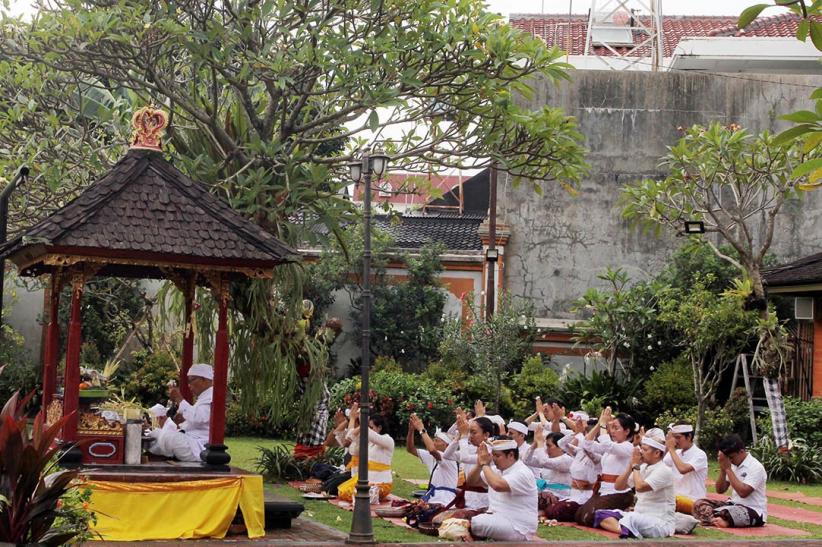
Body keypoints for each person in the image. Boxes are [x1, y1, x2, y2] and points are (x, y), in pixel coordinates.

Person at [595, 428, 676, 539]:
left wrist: (635, 466)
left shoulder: (664, 470)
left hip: (660, 522)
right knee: (601, 514)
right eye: (641, 448)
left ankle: (628, 528)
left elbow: (640, 487)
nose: (641, 452)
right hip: (639, 516)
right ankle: (627, 529)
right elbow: (618, 486)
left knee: (631, 519)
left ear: (657, 453)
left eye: (645, 450)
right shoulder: (642, 467)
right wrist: (630, 466)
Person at [465, 437, 538, 541]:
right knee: (464, 518)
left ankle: (529, 539)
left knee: (476, 523)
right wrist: (479, 464)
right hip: (498, 519)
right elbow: (472, 481)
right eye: (493, 455)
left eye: (497, 456)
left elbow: (497, 485)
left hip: (518, 526)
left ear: (511, 455)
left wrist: (485, 464)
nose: (494, 459)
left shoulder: (522, 472)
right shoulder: (496, 470)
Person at [575, 408, 637, 527]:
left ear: (627, 431)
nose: (612, 431)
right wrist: (599, 424)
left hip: (619, 492)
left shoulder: (628, 447)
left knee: (589, 517)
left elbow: (607, 445)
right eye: (611, 427)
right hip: (604, 490)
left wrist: (603, 426)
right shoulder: (612, 447)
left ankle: (622, 516)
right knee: (579, 515)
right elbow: (587, 444)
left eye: (616, 428)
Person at [692, 434, 767, 528]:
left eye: (731, 457)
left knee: (728, 512)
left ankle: (718, 519)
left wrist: (728, 469)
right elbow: (720, 490)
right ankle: (718, 520)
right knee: (699, 504)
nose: (730, 460)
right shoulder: (731, 465)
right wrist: (723, 469)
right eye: (728, 458)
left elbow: (743, 492)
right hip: (733, 505)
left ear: (741, 451)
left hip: (752, 510)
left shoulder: (756, 467)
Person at [148, 363, 213, 462]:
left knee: (170, 438)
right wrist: (182, 421)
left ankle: (156, 455)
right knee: (155, 434)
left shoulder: (212, 396)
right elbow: (196, 420)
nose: (189, 385)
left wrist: (179, 398)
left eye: (191, 381)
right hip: (191, 441)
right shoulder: (204, 397)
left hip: (198, 447)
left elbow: (198, 418)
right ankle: (150, 455)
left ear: (203, 379)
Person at [337, 405, 395, 502]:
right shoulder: (369, 442)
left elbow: (371, 435)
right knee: (343, 492)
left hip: (382, 484)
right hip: (367, 481)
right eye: (368, 427)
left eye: (371, 427)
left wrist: (362, 421)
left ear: (379, 427)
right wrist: (353, 419)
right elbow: (350, 438)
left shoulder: (387, 440)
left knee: (358, 496)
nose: (369, 429)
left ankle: (375, 496)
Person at [442, 414, 495, 509]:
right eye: (469, 432)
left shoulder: (490, 452)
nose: (470, 436)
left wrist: (464, 436)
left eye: (473, 432)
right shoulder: (470, 449)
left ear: (486, 435)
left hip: (483, 502)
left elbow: (465, 458)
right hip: (466, 498)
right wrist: (459, 436)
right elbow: (447, 455)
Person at [406, 413, 459, 506]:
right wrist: (411, 430)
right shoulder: (432, 456)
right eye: (434, 440)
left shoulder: (449, 457)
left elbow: (432, 450)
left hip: (445, 499)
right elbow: (410, 449)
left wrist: (422, 430)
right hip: (434, 497)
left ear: (446, 445)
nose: (434, 442)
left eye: (437, 440)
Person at [663, 422, 708, 514]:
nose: (675, 441)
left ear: (689, 437)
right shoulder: (676, 453)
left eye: (678, 437)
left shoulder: (700, 454)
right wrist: (667, 446)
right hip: (676, 499)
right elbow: (661, 466)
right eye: (674, 437)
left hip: (693, 501)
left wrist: (671, 449)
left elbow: (683, 469)